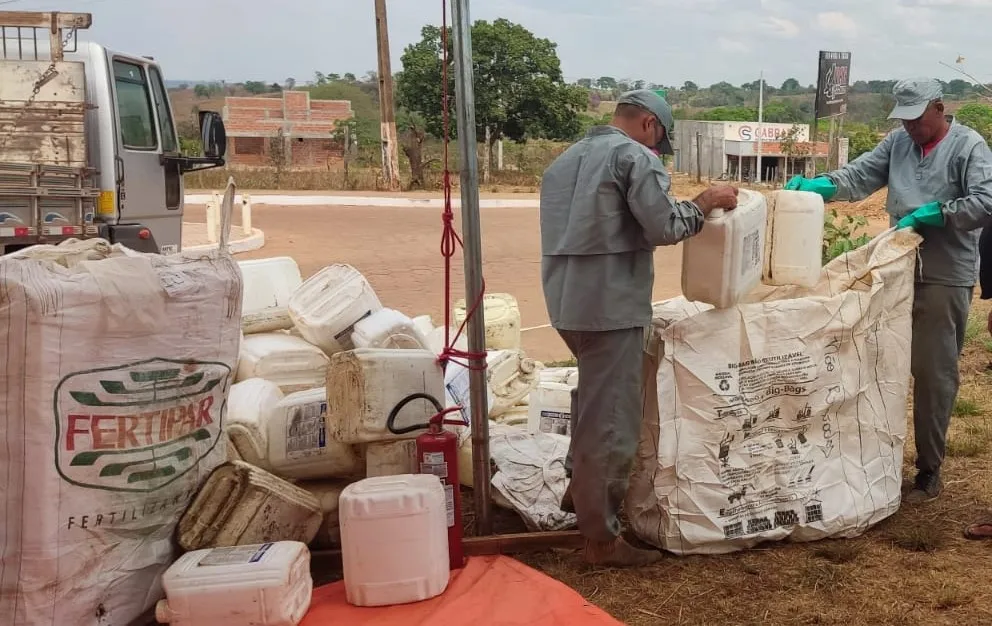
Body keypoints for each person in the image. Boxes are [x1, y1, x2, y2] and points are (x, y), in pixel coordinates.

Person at [539, 89, 739, 566]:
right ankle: (600, 539)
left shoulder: (563, 162)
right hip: (611, 305)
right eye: (660, 139)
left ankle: (578, 495)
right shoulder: (634, 158)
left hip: (566, 302)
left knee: (590, 400)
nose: (657, 150)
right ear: (650, 124)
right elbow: (664, 226)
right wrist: (705, 200)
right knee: (610, 422)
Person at [785, 78, 992, 505]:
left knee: (934, 374)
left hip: (942, 274)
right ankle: (874, 457)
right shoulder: (899, 144)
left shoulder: (969, 146)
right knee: (876, 364)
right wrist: (821, 187)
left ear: (938, 108)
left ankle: (929, 468)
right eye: (905, 119)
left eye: (917, 119)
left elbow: (987, 200)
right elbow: (859, 175)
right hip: (894, 268)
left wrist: (940, 213)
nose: (911, 127)